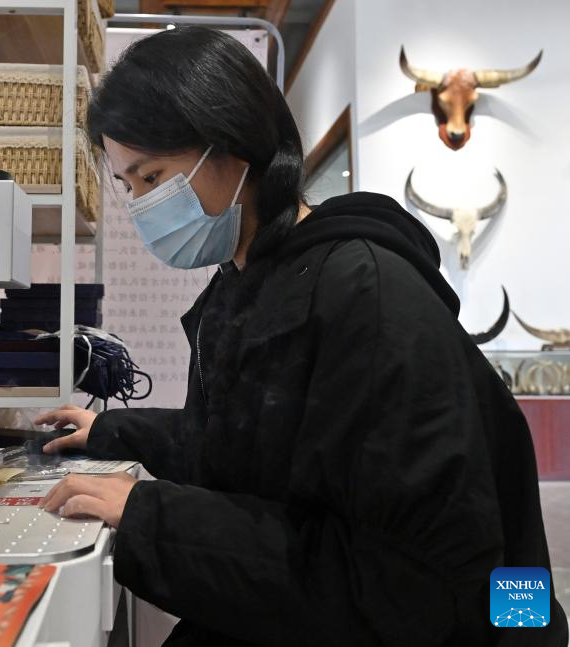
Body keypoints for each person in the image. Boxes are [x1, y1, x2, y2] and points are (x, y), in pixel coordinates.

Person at [36, 26, 567, 646]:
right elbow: (248, 447)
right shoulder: (247, 283)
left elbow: (415, 584)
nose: (142, 208)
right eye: (129, 187)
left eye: (153, 178)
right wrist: (110, 432)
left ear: (234, 146)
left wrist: (151, 515)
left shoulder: (365, 295)